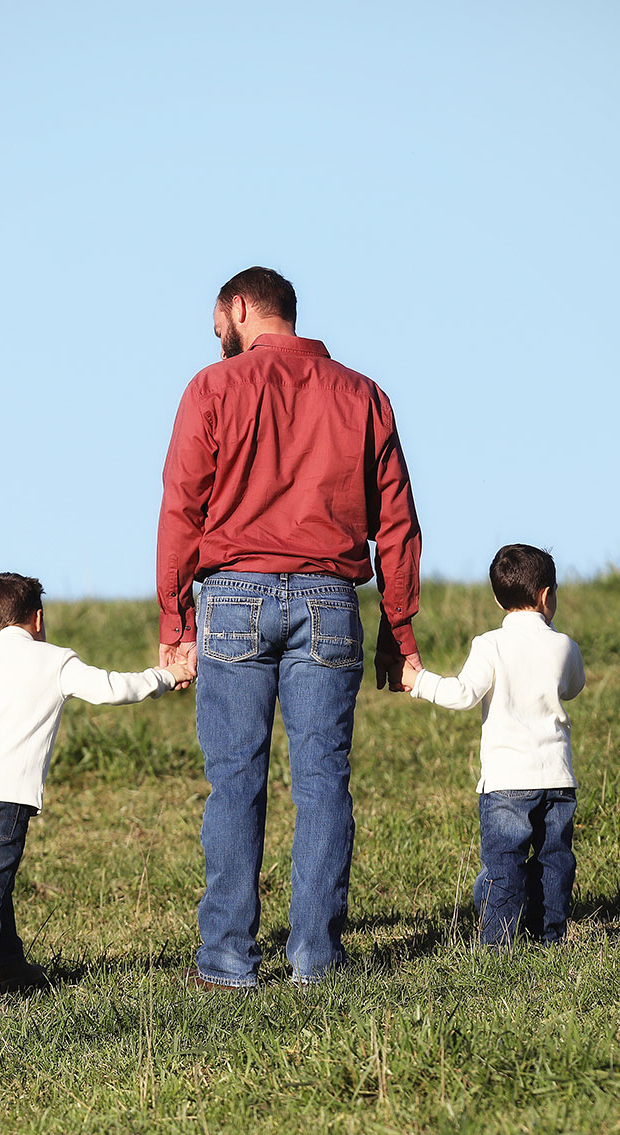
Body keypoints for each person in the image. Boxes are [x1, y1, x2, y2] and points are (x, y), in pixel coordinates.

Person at [156, 266, 423, 989]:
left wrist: (174, 617)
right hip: (329, 603)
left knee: (235, 781)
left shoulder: (212, 389)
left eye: (219, 326)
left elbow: (182, 503)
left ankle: (226, 961)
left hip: (234, 596)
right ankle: (316, 962)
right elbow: (396, 522)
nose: (219, 342)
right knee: (323, 783)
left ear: (239, 308)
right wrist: (399, 630)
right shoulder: (363, 394)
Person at [0, 572, 192, 1022]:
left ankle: (9, 968)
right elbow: (113, 688)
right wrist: (167, 675)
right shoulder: (53, 660)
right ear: (38, 618)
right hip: (6, 794)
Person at [401, 544, 586, 946]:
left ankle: (498, 944)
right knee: (555, 861)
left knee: (504, 863)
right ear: (546, 596)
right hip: (558, 778)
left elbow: (464, 694)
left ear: (498, 599)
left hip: (506, 782)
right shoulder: (565, 646)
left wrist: (420, 682)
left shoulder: (490, 645)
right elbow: (573, 687)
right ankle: (549, 937)